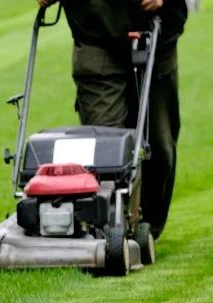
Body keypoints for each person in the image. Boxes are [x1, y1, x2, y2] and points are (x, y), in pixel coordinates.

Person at [36, 0, 188, 239]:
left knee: (160, 148)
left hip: (157, 31)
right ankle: (110, 230)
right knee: (104, 151)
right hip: (95, 33)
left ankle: (146, 230)